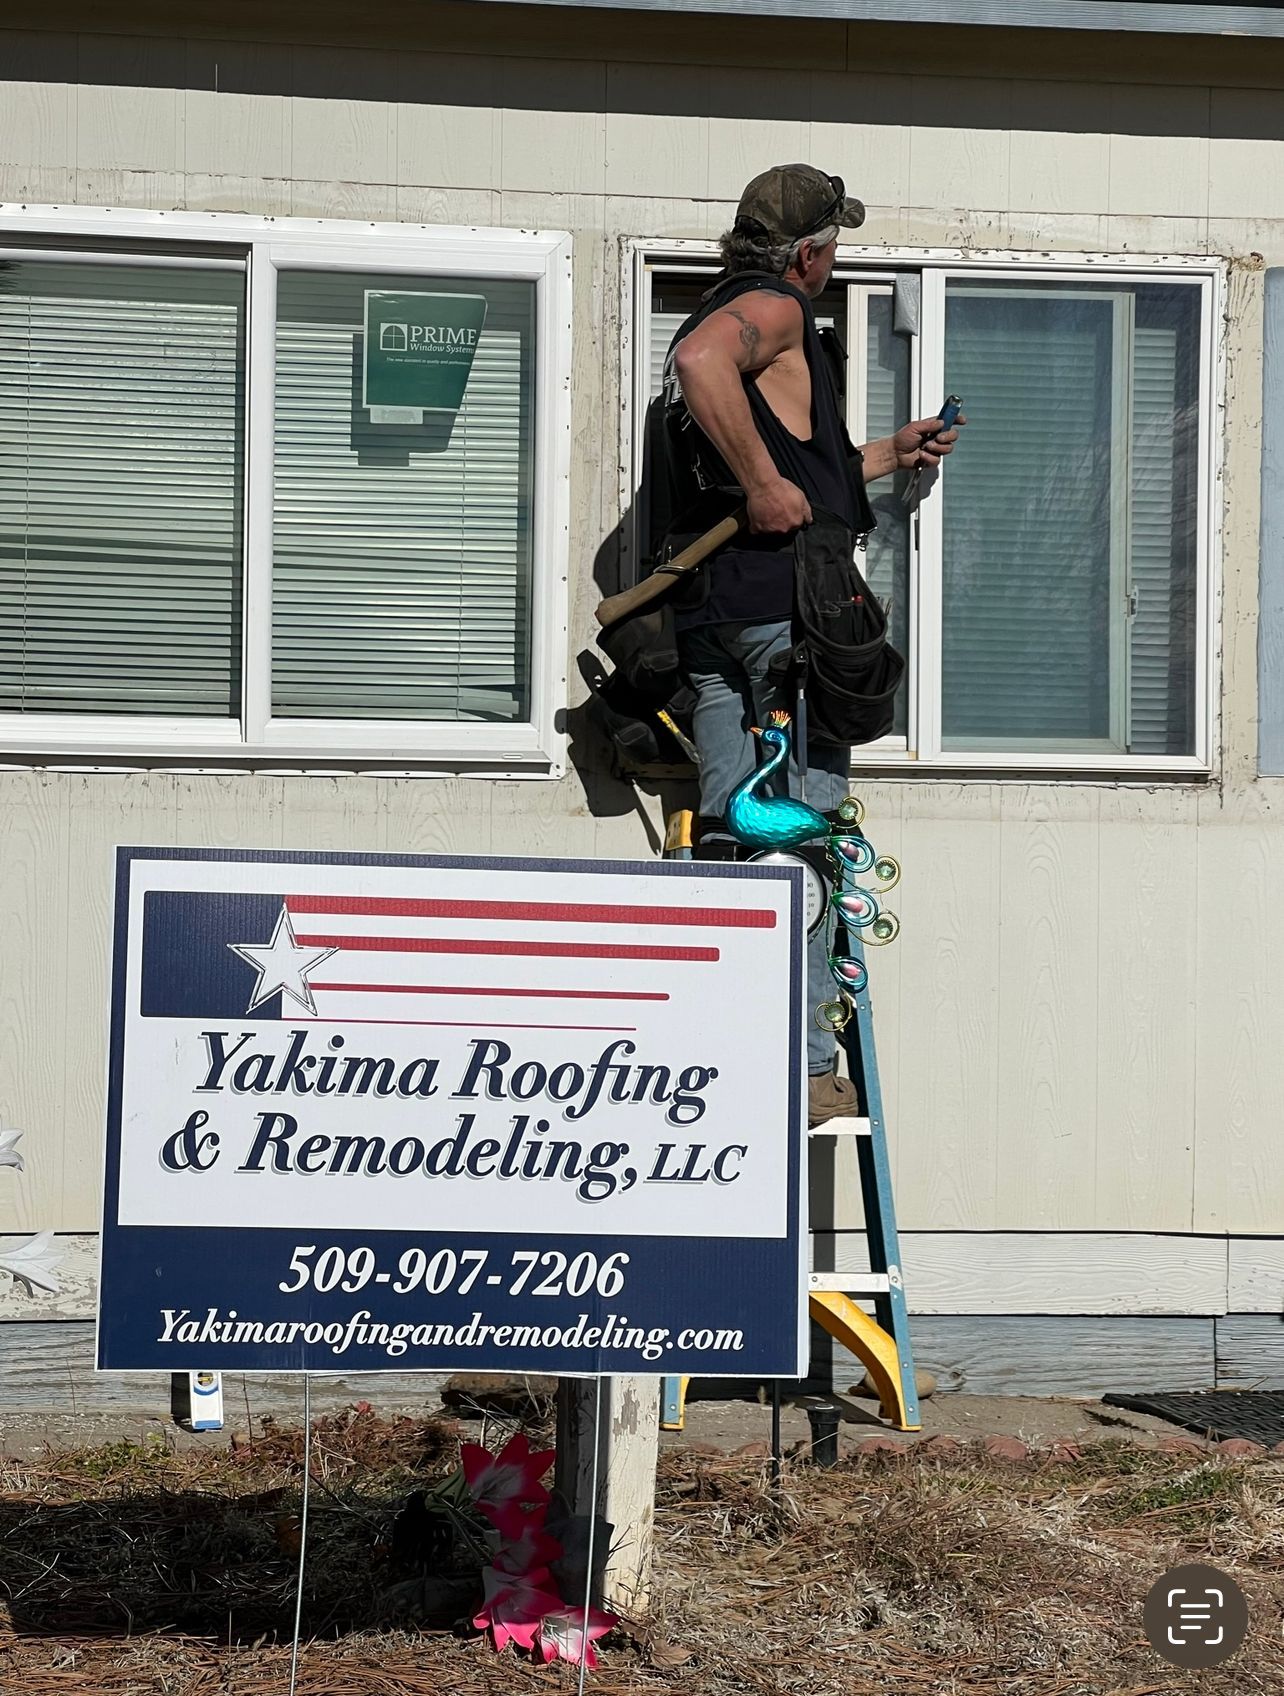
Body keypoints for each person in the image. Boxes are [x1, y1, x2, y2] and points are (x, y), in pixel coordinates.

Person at [663, 163, 963, 1127]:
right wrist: (760, 484)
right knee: (802, 837)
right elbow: (708, 371)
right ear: (807, 252)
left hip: (715, 621)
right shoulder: (770, 311)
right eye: (833, 244)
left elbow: (798, 466)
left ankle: (728, 1043)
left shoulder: (724, 311)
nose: (836, 261)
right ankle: (801, 1065)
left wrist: (884, 453)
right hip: (788, 626)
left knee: (730, 835)